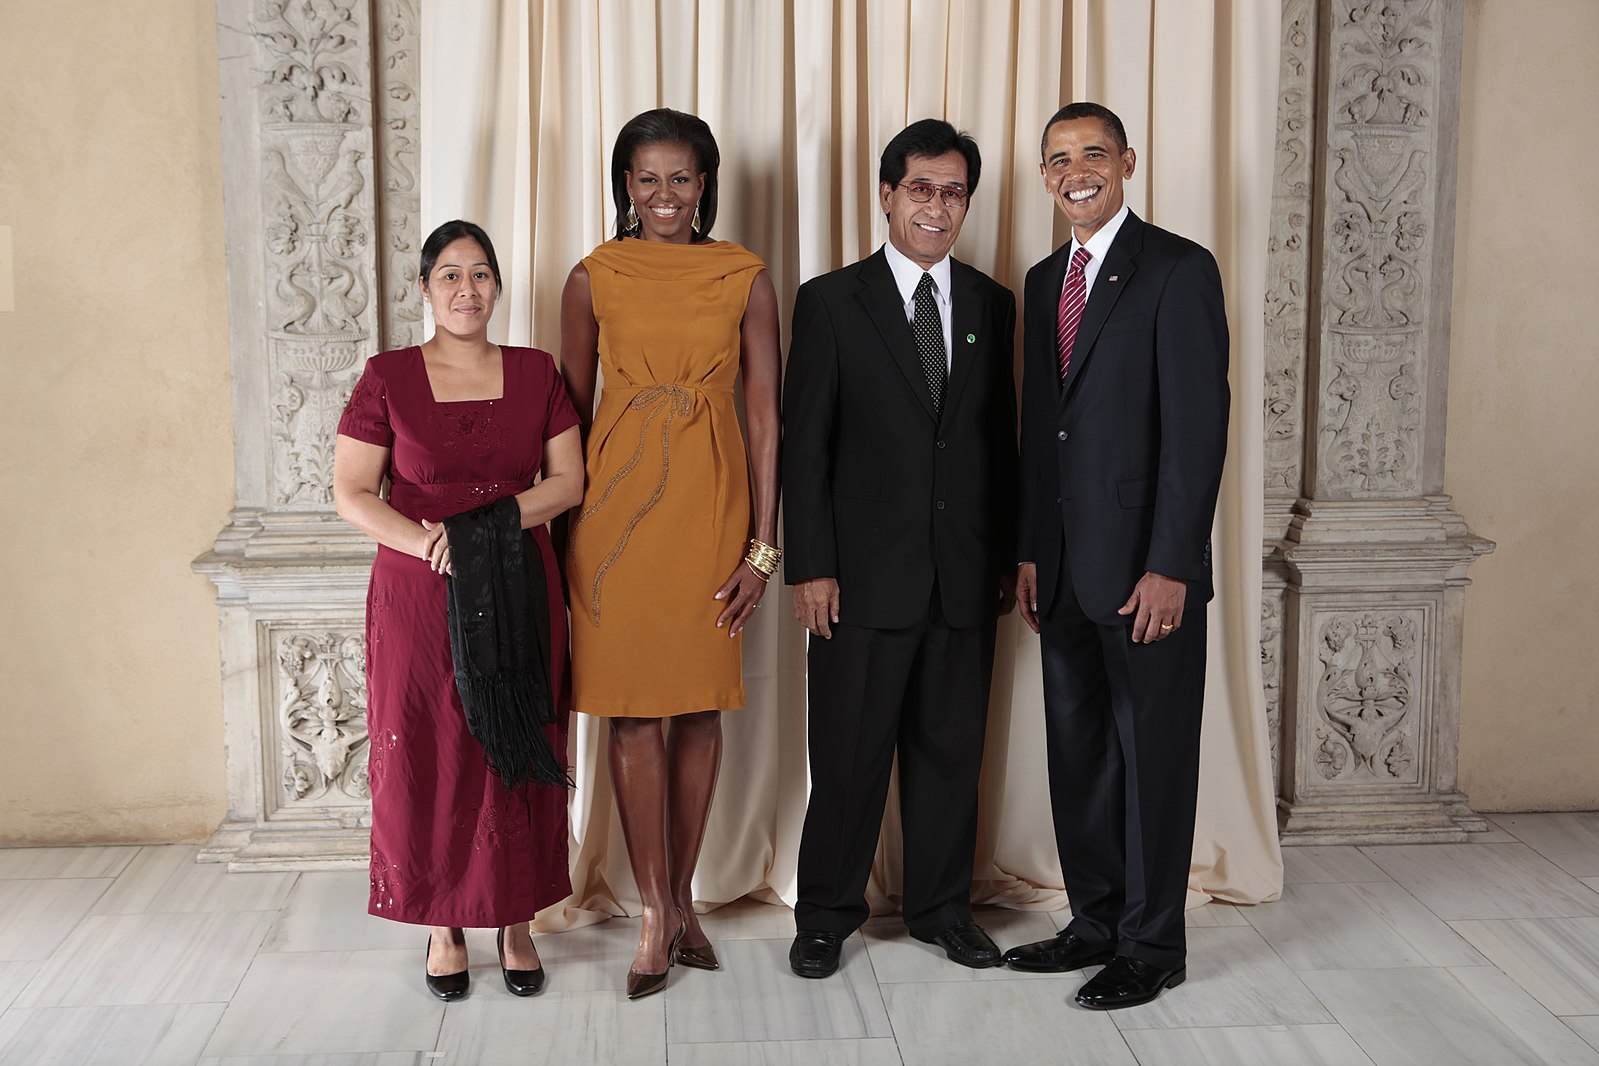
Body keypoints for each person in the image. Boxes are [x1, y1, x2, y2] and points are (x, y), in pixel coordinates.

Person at [1004, 102, 1230, 1009]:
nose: (1075, 171)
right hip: (1060, 568)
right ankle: (1093, 922)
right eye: (1057, 160)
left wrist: (1172, 562)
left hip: (1147, 572)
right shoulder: (1039, 278)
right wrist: (1028, 551)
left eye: (1091, 153)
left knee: (1154, 760)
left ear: (1127, 162)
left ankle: (1150, 944)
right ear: (1045, 176)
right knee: (1080, 757)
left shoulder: (1177, 269)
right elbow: (1039, 431)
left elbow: (1196, 432)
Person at [782, 119, 1017, 979]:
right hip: (856, 583)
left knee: (950, 758)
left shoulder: (993, 305)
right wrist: (809, 565)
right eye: (919, 188)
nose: (936, 205)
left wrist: (1005, 557)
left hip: (961, 581)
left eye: (953, 191)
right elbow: (803, 447)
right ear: (885, 196)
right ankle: (824, 916)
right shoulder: (831, 302)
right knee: (846, 759)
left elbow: (998, 444)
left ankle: (941, 910)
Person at [333, 220, 585, 1000]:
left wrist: (481, 534)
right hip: (418, 588)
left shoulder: (537, 372)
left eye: (480, 274)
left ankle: (514, 921)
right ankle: (443, 924)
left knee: (513, 737)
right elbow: (350, 493)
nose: (466, 289)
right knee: (430, 744)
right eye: (449, 275)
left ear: (497, 287)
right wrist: (431, 543)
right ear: (424, 288)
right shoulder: (387, 375)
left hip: (516, 582)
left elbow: (568, 482)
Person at [561, 108, 781, 1000]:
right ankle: (654, 908)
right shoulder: (591, 277)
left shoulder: (745, 277)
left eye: (680, 178)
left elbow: (766, 417)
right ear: (624, 185)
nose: (663, 196)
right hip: (614, 528)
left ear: (704, 184)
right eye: (645, 179)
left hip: (711, 514)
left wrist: (763, 546)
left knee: (697, 712)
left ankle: (683, 897)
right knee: (631, 714)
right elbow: (566, 419)